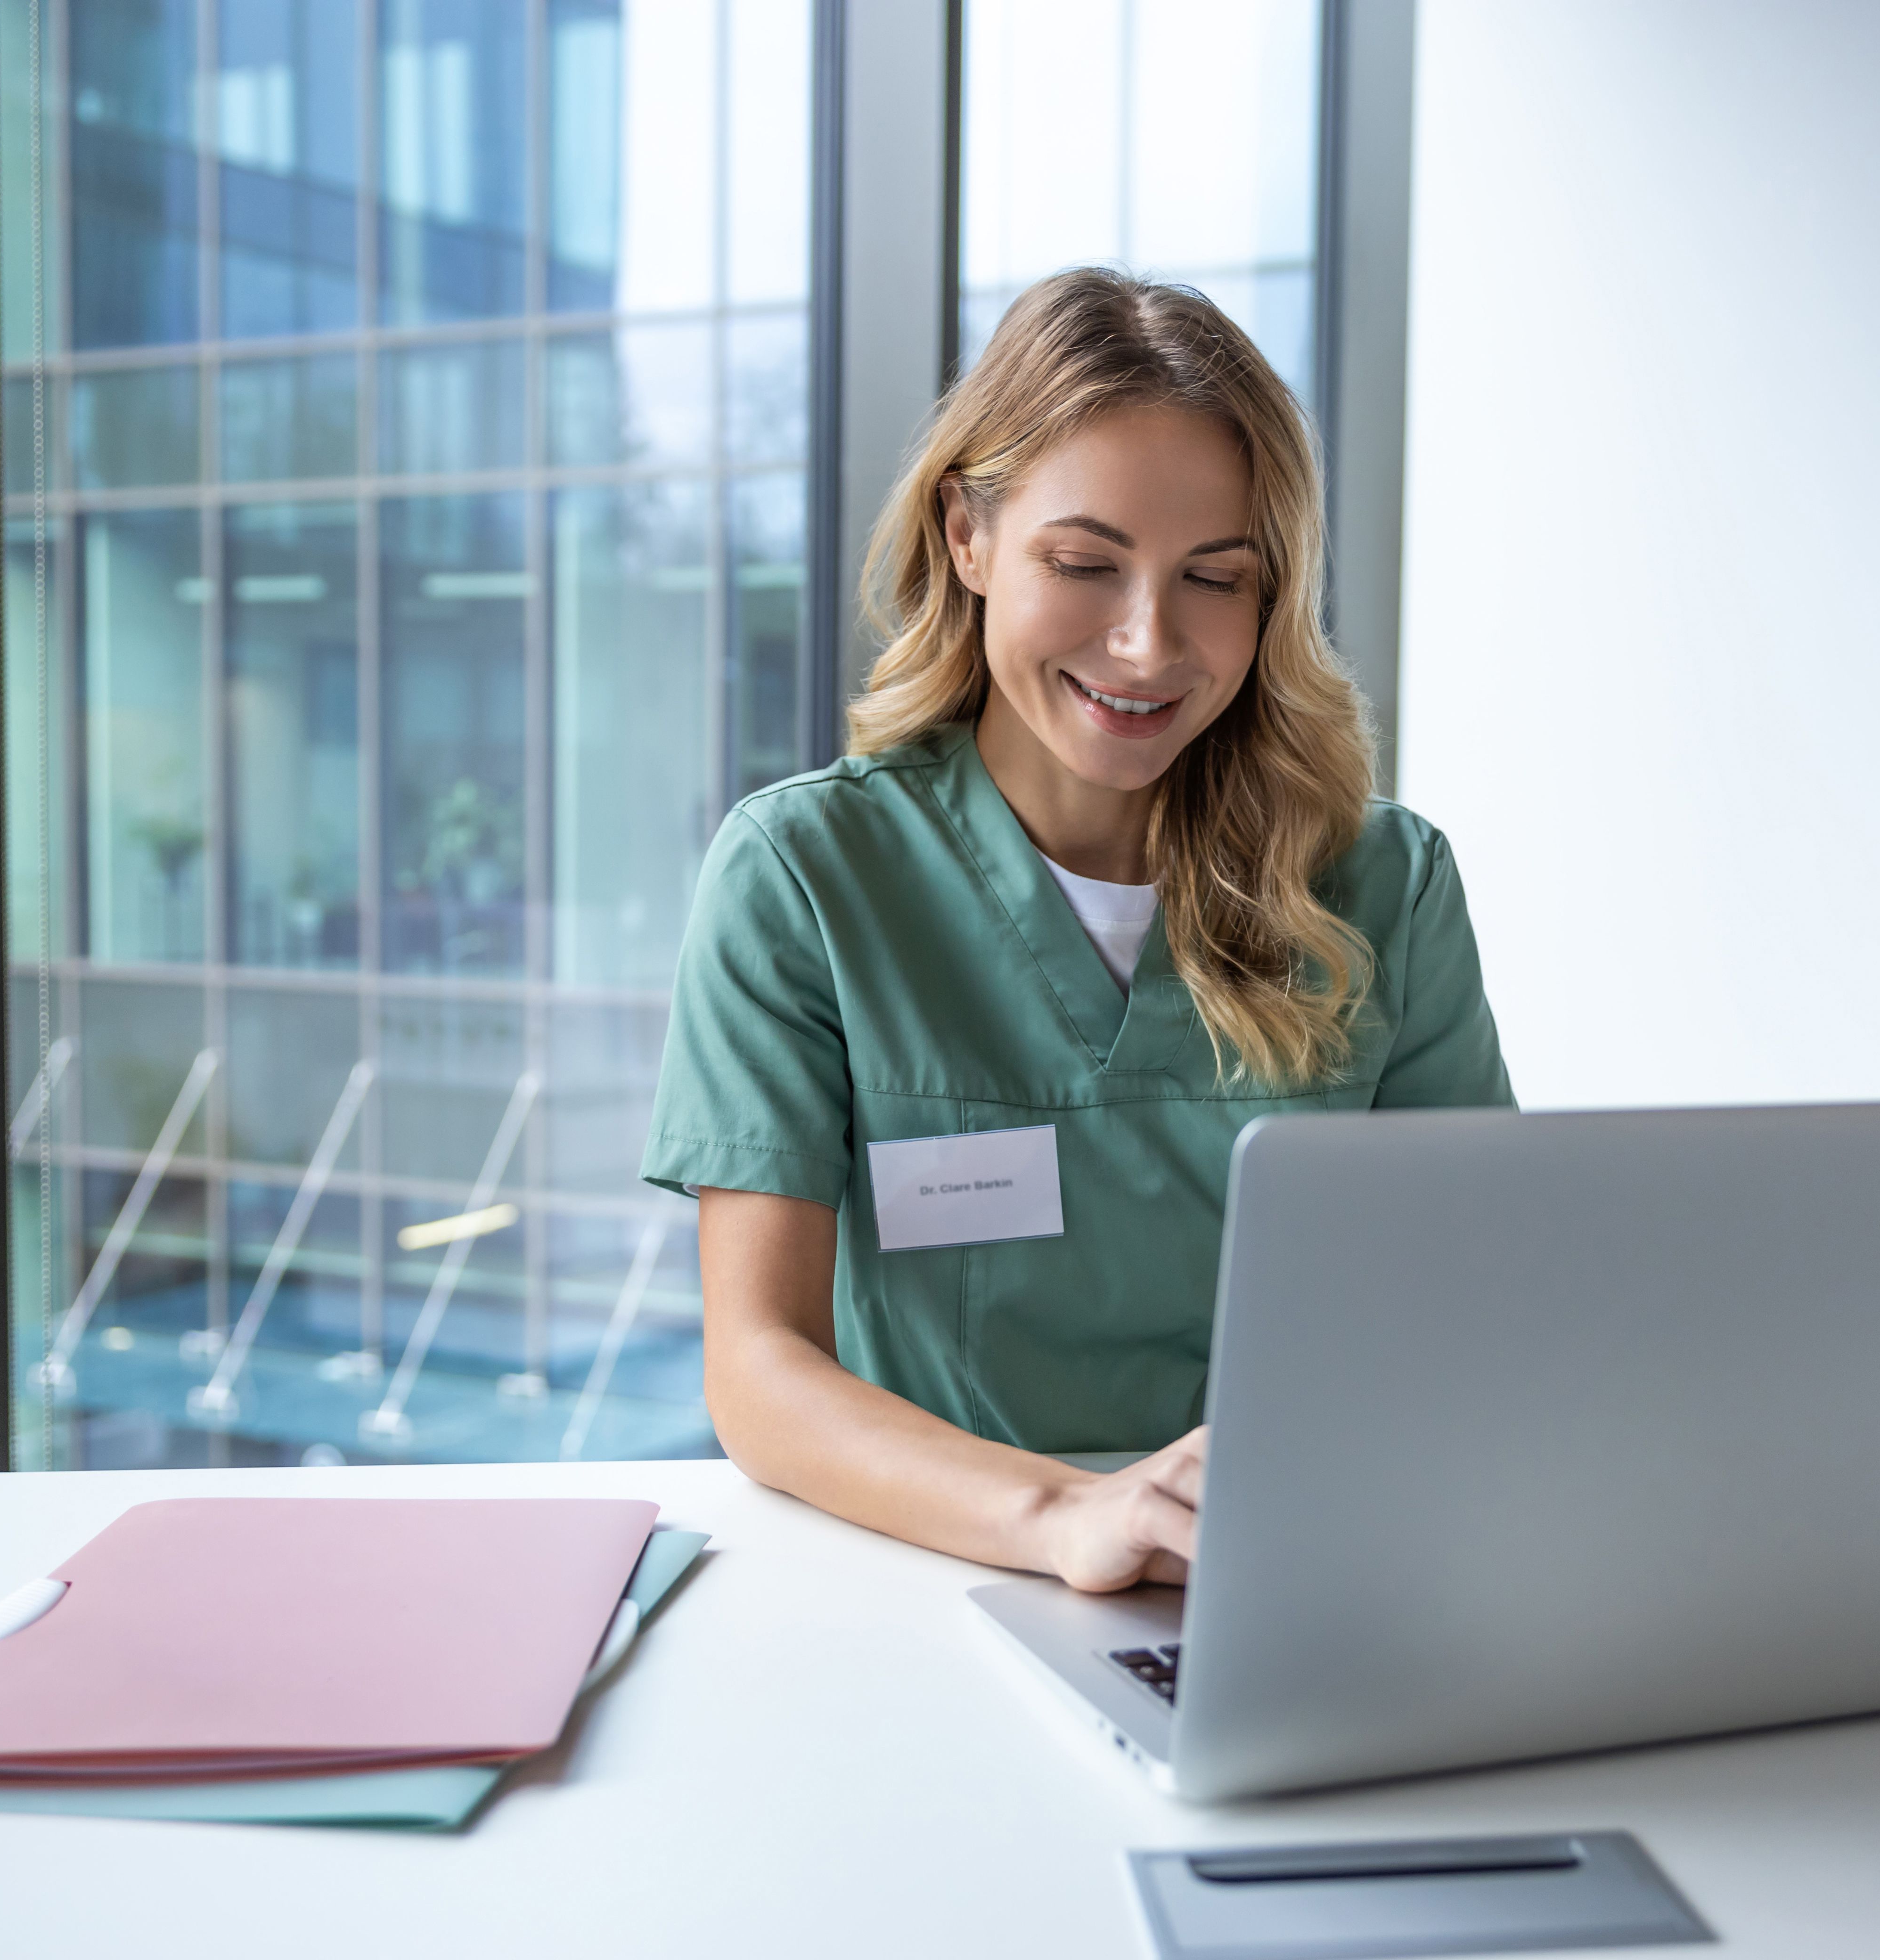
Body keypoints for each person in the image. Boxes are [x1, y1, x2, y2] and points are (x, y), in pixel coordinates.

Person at [644, 268, 1511, 1593]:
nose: (1147, 642)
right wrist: (1065, 1516)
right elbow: (759, 1370)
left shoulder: (1385, 885)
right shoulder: (806, 879)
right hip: (941, 1582)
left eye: (1213, 578)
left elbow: (1482, 1310)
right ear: (968, 539)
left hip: (1298, 1590)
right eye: (1086, 564)